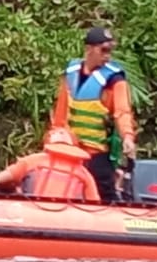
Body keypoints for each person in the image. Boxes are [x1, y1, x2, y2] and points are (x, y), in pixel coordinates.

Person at [50, 27, 138, 204]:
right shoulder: (71, 72)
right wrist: (54, 136)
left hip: (96, 152)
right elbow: (61, 111)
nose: (108, 56)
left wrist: (127, 137)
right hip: (69, 150)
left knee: (104, 194)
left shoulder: (114, 80)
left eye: (110, 51)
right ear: (89, 49)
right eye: (103, 50)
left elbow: (122, 112)